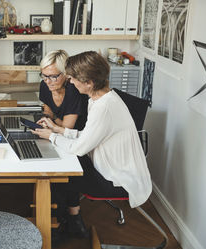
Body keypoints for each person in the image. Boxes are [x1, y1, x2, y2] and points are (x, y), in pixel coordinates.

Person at [32, 51, 152, 239]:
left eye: (72, 79)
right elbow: (89, 136)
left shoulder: (103, 107)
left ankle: (58, 226)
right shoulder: (102, 99)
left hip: (116, 180)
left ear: (88, 83)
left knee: (56, 173)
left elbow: (80, 147)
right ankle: (69, 221)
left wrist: (51, 136)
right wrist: (58, 130)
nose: (70, 82)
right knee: (61, 164)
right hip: (108, 166)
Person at [39, 50, 88, 130]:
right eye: (44, 76)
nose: (48, 81)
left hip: (76, 137)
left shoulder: (74, 90)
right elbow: (48, 113)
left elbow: (66, 129)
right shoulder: (44, 85)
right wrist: (45, 121)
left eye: (53, 76)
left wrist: (52, 119)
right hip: (57, 132)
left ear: (65, 73)